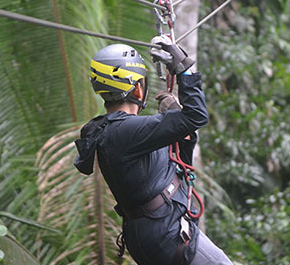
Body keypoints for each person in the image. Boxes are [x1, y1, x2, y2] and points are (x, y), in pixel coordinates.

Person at [74, 36, 232, 265]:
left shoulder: (116, 131)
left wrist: (181, 132)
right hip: (166, 233)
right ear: (138, 89)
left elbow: (178, 167)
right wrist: (184, 69)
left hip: (158, 233)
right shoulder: (126, 132)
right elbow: (197, 115)